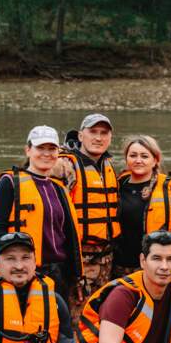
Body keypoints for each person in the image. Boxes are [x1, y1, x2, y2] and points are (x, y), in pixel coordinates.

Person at [0, 125, 84, 311]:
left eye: (52, 149)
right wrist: (12, 267)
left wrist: (75, 276)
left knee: (56, 327)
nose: (46, 154)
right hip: (25, 271)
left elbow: (67, 236)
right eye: (40, 148)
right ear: (28, 150)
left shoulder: (59, 188)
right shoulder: (9, 182)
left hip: (59, 273)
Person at [57, 114, 121, 306]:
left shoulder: (107, 166)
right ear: (80, 135)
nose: (98, 138)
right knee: (77, 318)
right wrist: (71, 269)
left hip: (105, 260)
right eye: (93, 132)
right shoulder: (66, 166)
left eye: (104, 133)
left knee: (101, 315)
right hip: (79, 261)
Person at [114, 135, 171, 276]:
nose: (138, 160)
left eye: (144, 156)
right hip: (119, 267)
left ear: (155, 160)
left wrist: (169, 266)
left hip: (154, 270)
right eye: (133, 155)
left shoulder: (167, 191)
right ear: (126, 159)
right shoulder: (116, 187)